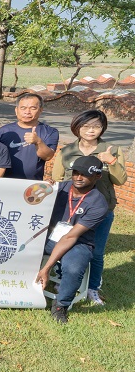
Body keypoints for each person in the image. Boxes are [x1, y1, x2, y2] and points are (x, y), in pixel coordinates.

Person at [51, 110, 127, 305]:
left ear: (103, 128)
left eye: (96, 126)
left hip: (100, 211)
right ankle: (63, 279)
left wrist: (111, 161)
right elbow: (57, 178)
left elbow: (120, 180)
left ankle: (93, 287)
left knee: (97, 252)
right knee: (64, 244)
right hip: (71, 210)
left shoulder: (112, 150)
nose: (91, 130)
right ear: (77, 128)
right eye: (86, 126)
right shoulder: (67, 151)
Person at [37, 156, 110, 324]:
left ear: (97, 177)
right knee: (24, 249)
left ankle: (60, 305)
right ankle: (17, 287)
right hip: (50, 236)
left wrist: (47, 268)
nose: (78, 177)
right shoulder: (59, 189)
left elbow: (71, 236)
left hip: (78, 242)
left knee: (74, 268)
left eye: (85, 175)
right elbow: (31, 201)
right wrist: (41, 187)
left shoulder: (98, 204)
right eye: (76, 173)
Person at [0, 93, 59, 180]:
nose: (27, 112)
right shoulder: (4, 131)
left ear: (41, 110)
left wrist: (38, 142)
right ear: (16, 110)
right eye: (23, 108)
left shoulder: (49, 131)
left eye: (33, 108)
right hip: (5, 181)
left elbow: (48, 156)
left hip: (32, 184)